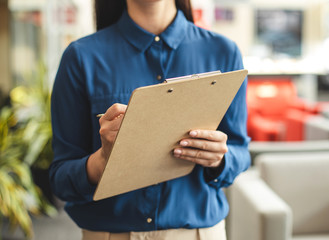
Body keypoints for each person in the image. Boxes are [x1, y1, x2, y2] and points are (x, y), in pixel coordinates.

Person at [50, 0, 250, 239]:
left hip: (197, 232)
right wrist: (103, 160)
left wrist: (219, 158)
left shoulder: (223, 51)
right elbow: (60, 178)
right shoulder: (81, 57)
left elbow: (240, 151)